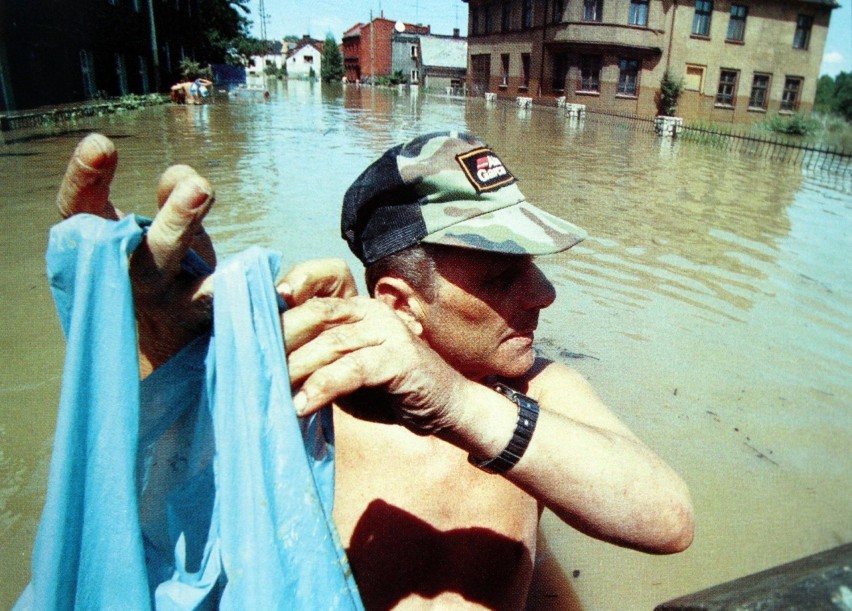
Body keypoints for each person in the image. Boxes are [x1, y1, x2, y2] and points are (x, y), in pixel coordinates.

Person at [57, 132, 694, 609]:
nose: (544, 293)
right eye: (503, 275)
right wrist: (164, 340)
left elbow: (668, 519)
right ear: (397, 303)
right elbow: (158, 501)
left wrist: (451, 401)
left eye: (533, 263)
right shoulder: (313, 391)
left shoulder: (532, 389)